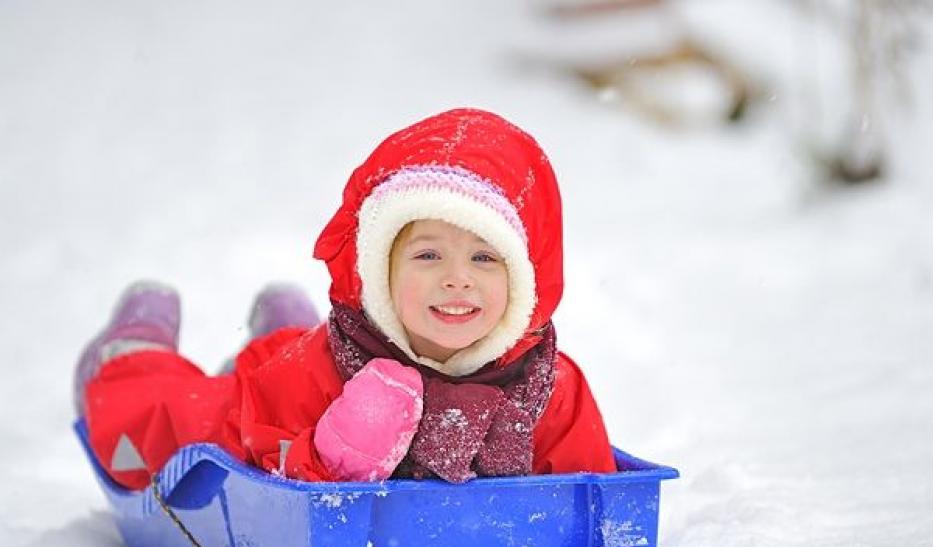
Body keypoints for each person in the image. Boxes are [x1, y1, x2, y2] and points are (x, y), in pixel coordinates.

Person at [76, 108, 617, 490]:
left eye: (484, 258)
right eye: (428, 256)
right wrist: (338, 454)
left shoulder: (547, 385)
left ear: (524, 280)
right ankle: (132, 353)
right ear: (380, 272)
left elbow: (591, 486)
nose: (457, 279)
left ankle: (278, 325)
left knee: (277, 352)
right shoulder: (328, 367)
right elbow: (259, 475)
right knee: (161, 427)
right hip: (271, 392)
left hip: (292, 361)